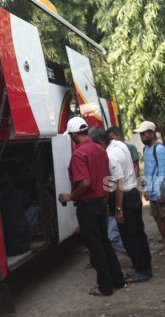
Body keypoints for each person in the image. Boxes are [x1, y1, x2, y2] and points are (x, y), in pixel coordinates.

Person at [58, 118, 125, 296]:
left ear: (73, 135)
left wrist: (70, 195)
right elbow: (106, 180)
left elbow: (85, 182)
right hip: (101, 203)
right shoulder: (100, 150)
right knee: (105, 242)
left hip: (87, 206)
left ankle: (105, 287)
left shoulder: (79, 154)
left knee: (95, 246)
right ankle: (118, 280)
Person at [101, 128, 152, 283]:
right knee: (139, 233)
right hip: (133, 194)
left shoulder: (110, 155)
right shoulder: (120, 145)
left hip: (125, 198)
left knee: (130, 237)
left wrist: (118, 208)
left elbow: (118, 183)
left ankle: (141, 271)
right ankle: (144, 267)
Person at [134, 121, 165, 255]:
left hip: (161, 191)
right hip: (152, 191)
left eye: (144, 134)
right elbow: (148, 171)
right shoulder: (147, 149)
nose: (142, 137)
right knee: (157, 218)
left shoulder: (159, 149)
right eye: (141, 134)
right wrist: (146, 189)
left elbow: (163, 173)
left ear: (152, 133)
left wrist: (160, 194)